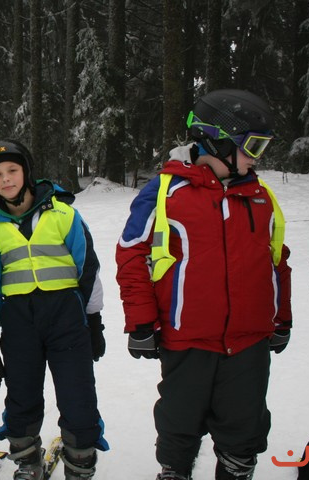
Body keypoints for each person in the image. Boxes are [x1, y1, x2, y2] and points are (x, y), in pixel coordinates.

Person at [115, 89, 292, 480]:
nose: (256, 158)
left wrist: (282, 317)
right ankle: (175, 470)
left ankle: (236, 469)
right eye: (253, 146)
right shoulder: (165, 191)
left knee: (244, 423)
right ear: (218, 140)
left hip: (249, 340)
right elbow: (131, 255)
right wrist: (141, 322)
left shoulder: (261, 196)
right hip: (187, 339)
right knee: (179, 421)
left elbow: (277, 260)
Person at [0, 139, 108, 480]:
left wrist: (94, 320)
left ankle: (80, 464)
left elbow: (88, 269)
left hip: (66, 317)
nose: (6, 179)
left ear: (27, 172)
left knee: (78, 395)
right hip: (19, 322)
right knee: (21, 396)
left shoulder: (63, 214)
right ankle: (27, 462)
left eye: (12, 170)